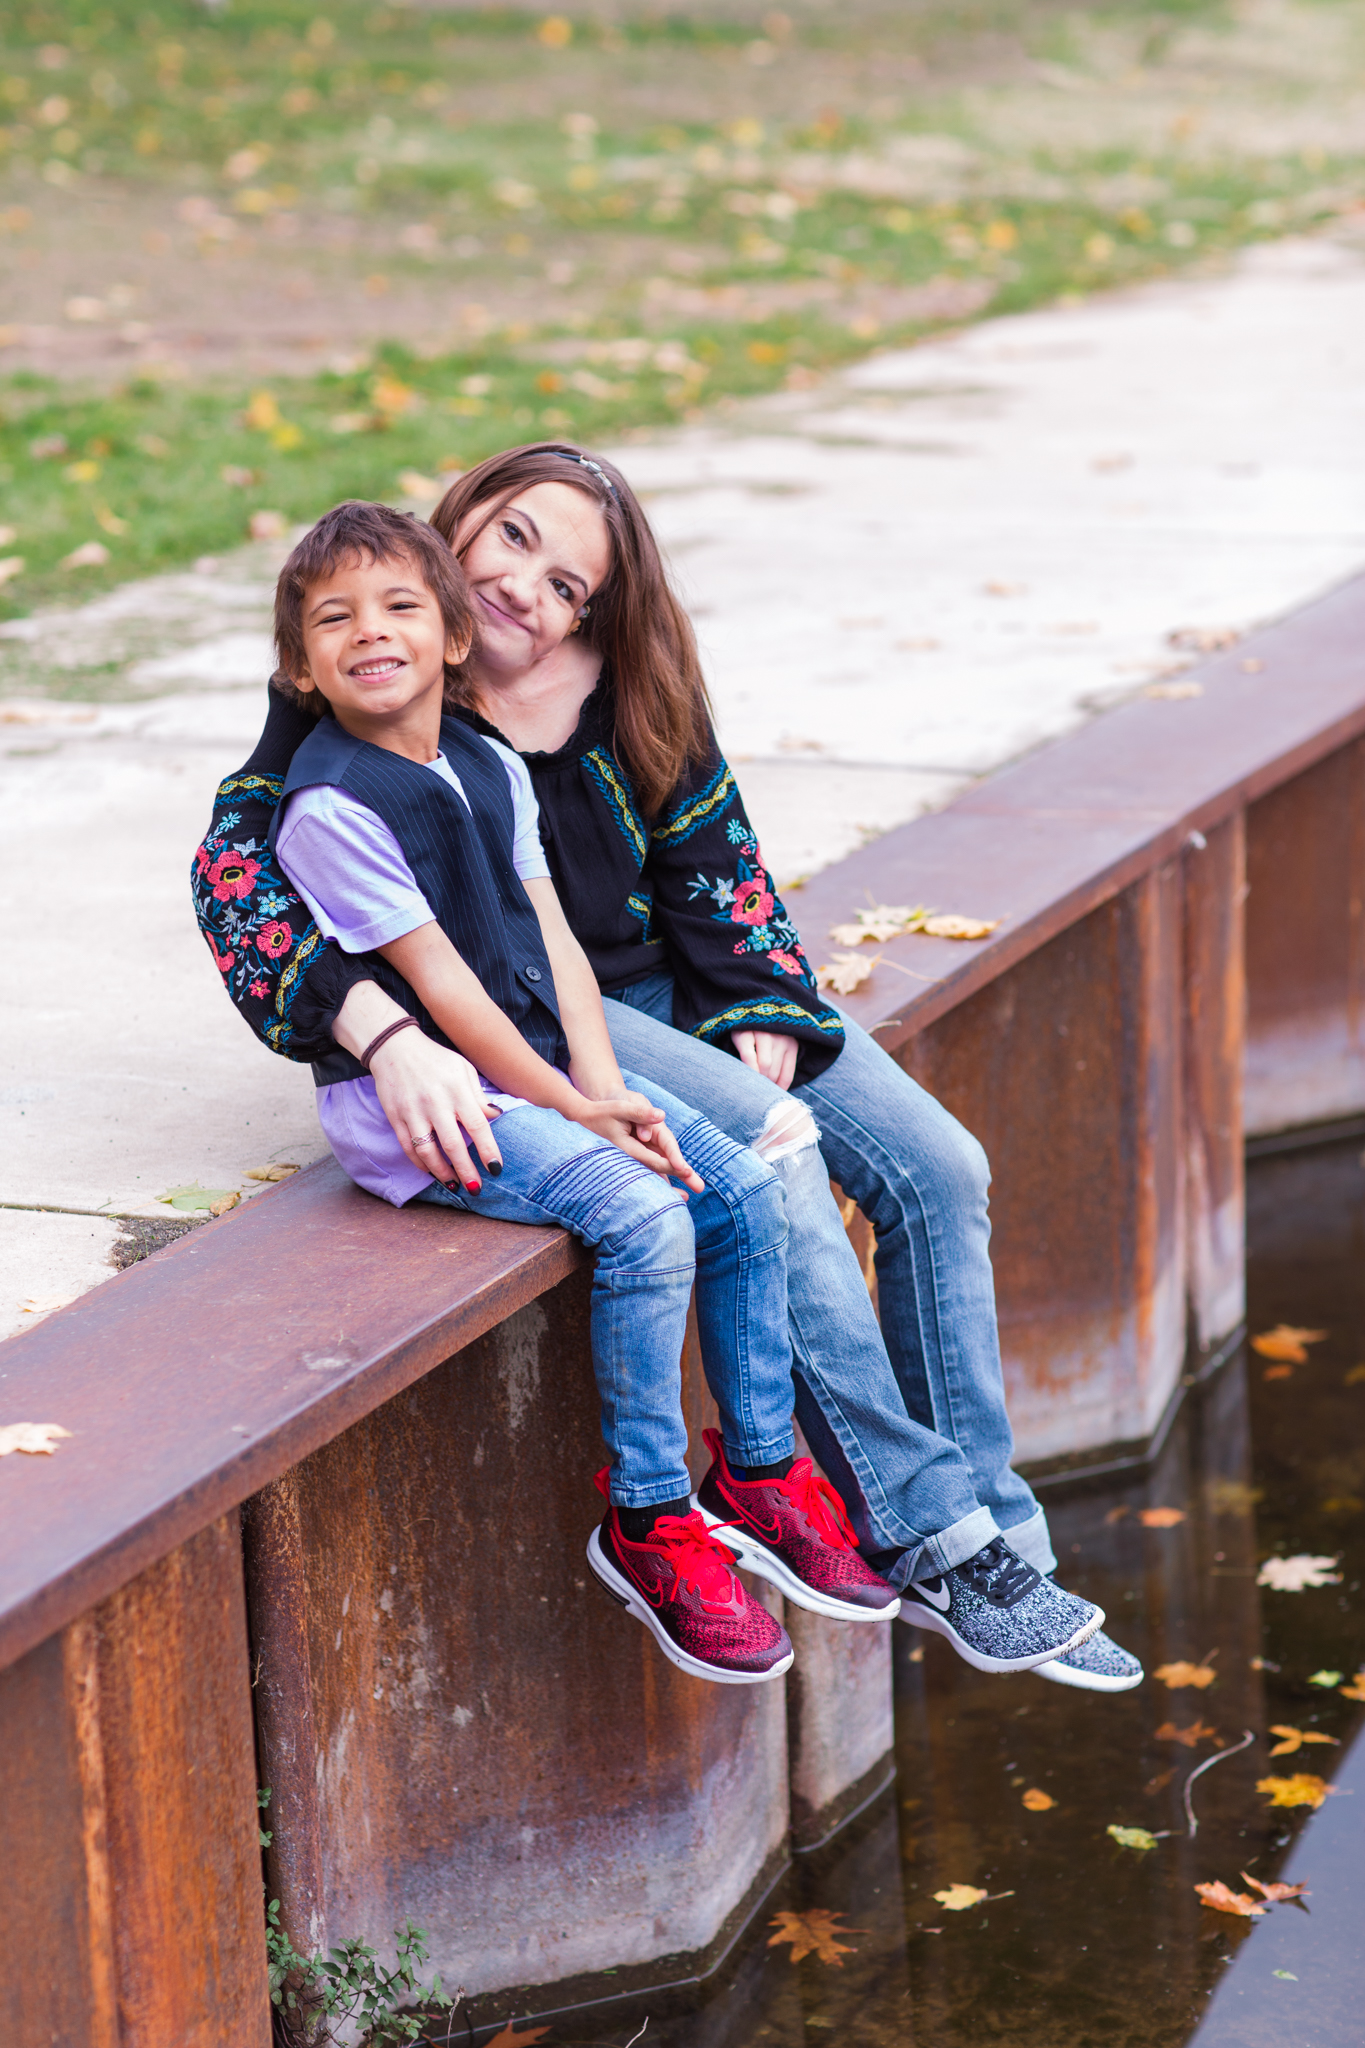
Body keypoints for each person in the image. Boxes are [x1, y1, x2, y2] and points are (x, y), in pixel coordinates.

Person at [193, 455, 1138, 1691]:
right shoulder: (380, 661)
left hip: (666, 995)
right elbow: (238, 878)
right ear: (457, 523)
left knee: (940, 1167)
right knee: (772, 1162)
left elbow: (721, 861)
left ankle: (1005, 1540)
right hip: (536, 1014)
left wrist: (758, 996)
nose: (524, 585)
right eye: (511, 535)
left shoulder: (631, 684)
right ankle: (932, 1538)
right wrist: (380, 1031)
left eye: (566, 581)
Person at [260, 496, 921, 1691]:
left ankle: (759, 1473)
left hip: (540, 1069)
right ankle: (650, 1517)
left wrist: (607, 1083)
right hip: (435, 1105)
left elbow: (553, 937)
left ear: (453, 638)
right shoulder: (331, 808)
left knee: (739, 1187)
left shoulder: (486, 761)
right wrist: (573, 1109)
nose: (372, 632)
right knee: (648, 1214)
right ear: (300, 666)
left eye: (401, 606)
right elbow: (448, 990)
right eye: (335, 619)